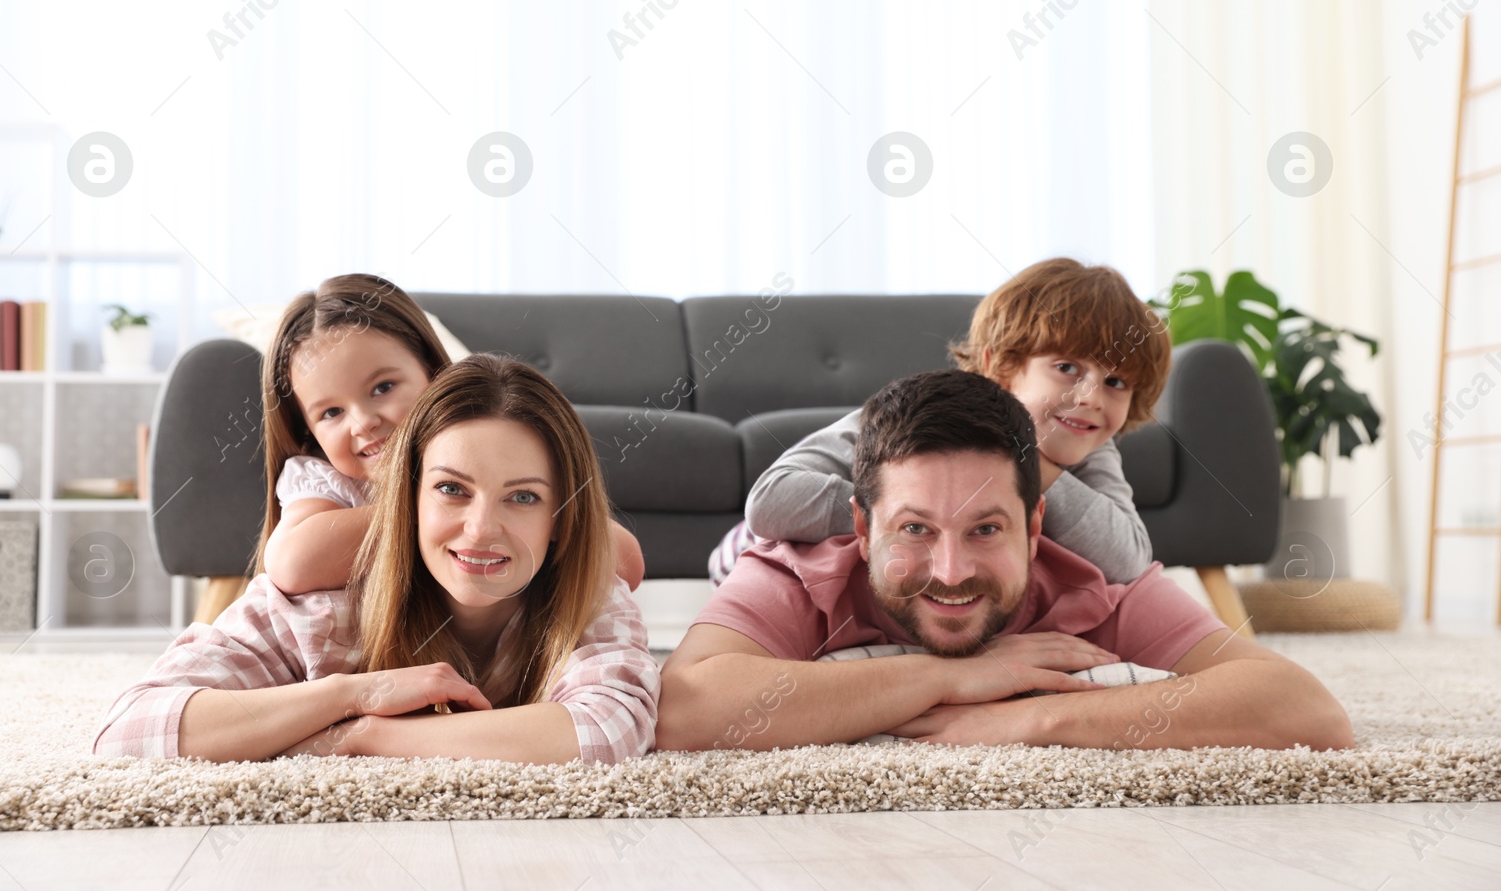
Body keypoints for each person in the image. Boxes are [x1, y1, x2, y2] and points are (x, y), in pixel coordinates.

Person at [658, 369, 1353, 753]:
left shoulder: (1089, 580)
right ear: (863, 530)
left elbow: (1306, 710)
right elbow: (683, 709)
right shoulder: (801, 564)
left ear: (1034, 528)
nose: (952, 569)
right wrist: (955, 677)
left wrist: (1028, 719)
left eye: (987, 528)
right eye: (915, 529)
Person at [94, 354, 659, 765]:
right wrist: (354, 693)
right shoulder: (323, 602)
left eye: (523, 497)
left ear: (562, 519)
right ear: (404, 499)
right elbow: (130, 729)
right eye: (451, 490)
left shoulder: (590, 594)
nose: (482, 529)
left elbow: (607, 732)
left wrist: (361, 736)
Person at [709, 258, 1168, 586]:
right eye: (1067, 368)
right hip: (748, 547)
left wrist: (1026, 461)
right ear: (998, 367)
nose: (1090, 398)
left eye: (1115, 382)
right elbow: (770, 503)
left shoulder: (1091, 446)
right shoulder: (921, 413)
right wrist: (910, 517)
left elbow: (1127, 560)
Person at [255, 273, 645, 594]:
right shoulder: (325, 482)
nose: (362, 423)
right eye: (332, 412)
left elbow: (627, 562)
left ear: (433, 372)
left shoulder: (483, 455)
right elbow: (292, 565)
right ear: (308, 430)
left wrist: (536, 517)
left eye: (383, 388)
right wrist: (424, 511)